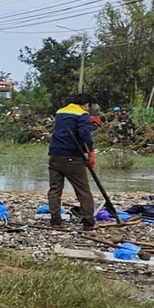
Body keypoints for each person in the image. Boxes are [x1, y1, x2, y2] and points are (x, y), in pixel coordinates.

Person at [47, 94, 98, 230]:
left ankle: (55, 222)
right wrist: (91, 154)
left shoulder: (60, 112)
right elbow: (85, 134)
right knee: (83, 190)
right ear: (86, 105)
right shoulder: (82, 114)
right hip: (73, 156)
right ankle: (88, 222)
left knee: (55, 190)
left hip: (54, 154)